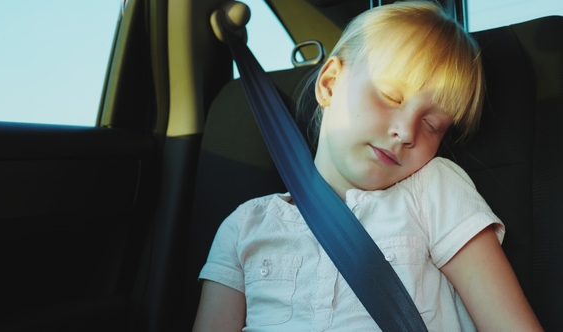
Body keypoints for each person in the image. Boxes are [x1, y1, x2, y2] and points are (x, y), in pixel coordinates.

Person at [193, 1, 543, 331]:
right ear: (330, 84)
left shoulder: (434, 191)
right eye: (391, 97)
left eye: (433, 125)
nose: (406, 132)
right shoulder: (244, 227)